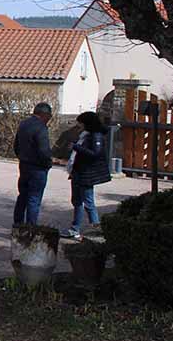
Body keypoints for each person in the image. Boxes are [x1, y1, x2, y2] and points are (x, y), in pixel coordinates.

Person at [62, 111, 111, 240]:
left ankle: (95, 228)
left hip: (87, 173)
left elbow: (95, 153)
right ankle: (75, 229)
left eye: (81, 123)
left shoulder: (96, 136)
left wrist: (76, 148)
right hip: (78, 171)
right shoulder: (85, 135)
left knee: (88, 202)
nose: (79, 125)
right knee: (77, 201)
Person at [13, 102, 54, 226]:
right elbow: (44, 150)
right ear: (44, 115)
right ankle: (31, 227)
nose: (49, 119)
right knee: (34, 199)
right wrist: (48, 163)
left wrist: (21, 157)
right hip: (38, 168)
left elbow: (16, 145)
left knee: (23, 196)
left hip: (24, 165)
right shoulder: (41, 127)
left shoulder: (24, 124)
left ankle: (18, 224)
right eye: (49, 116)